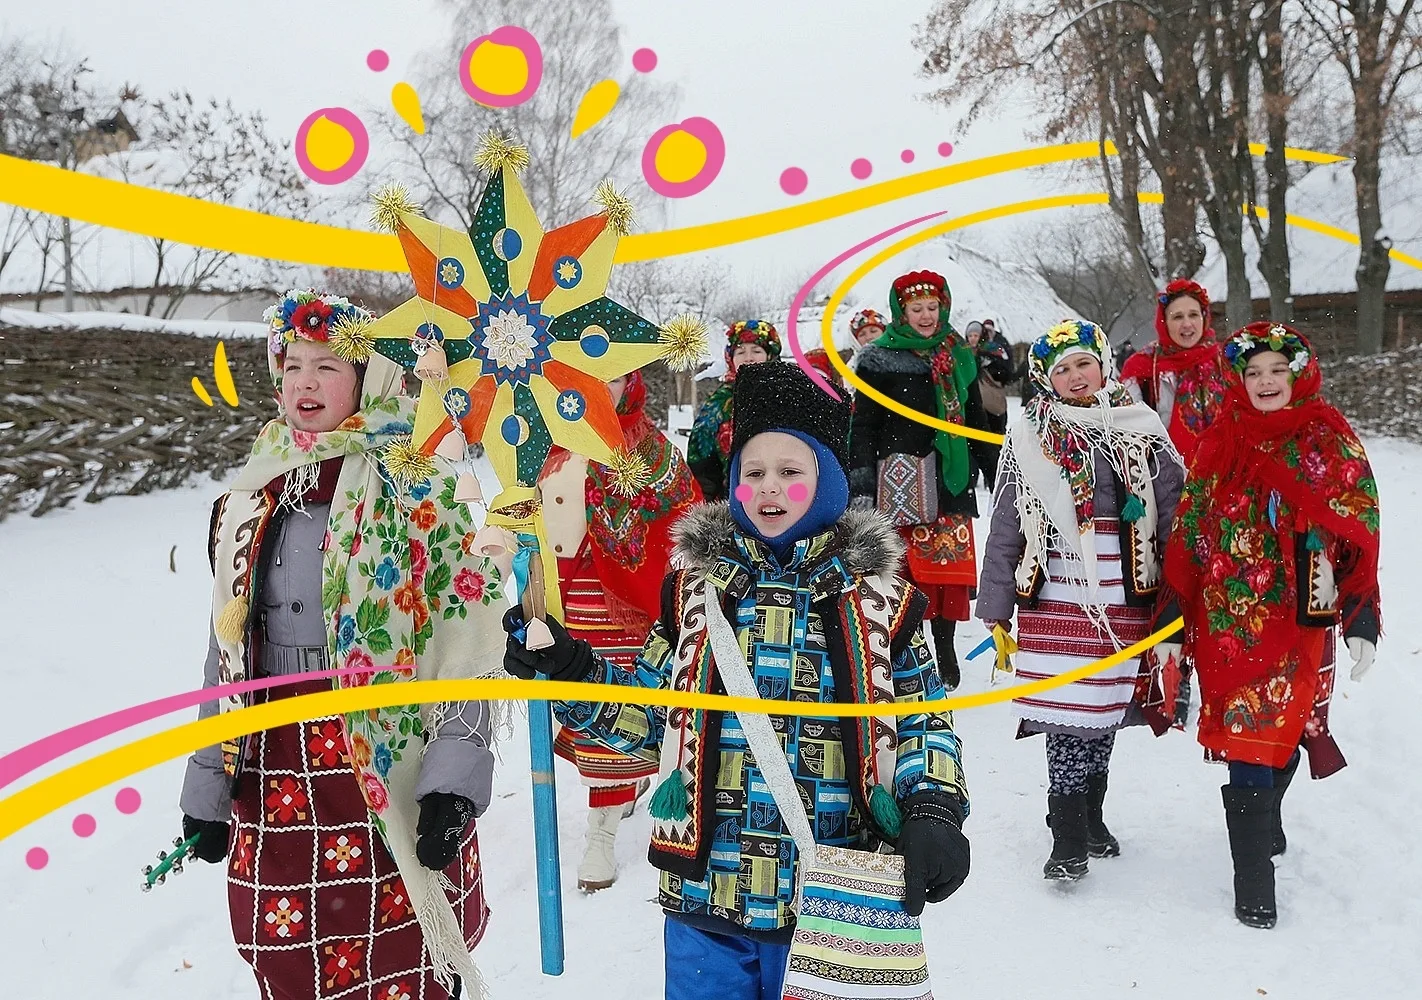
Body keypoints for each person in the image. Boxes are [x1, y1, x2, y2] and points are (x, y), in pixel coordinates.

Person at [504, 361, 971, 1000]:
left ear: (829, 483)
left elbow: (923, 719)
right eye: (753, 473)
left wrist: (935, 809)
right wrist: (572, 669)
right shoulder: (694, 595)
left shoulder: (881, 600)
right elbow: (647, 724)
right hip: (704, 897)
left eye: (791, 472)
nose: (769, 489)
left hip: (832, 893)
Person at [179, 289, 512, 999]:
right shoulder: (256, 488)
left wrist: (452, 781)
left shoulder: (417, 483)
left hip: (381, 752)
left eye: (327, 365)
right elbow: (227, 644)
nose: (304, 381)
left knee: (399, 951)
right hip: (274, 760)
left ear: (366, 378)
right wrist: (208, 786)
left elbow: (467, 636)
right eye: (293, 363)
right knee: (288, 944)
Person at [1163, 321, 1382, 930]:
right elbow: (1189, 531)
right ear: (1238, 380)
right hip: (1230, 619)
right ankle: (1252, 880)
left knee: (1285, 735)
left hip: (1303, 618)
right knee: (1246, 743)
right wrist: (1173, 620)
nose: (1264, 383)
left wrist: (1361, 617)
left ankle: (1266, 817)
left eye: (1276, 372)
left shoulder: (1330, 440)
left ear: (1297, 374)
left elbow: (1358, 533)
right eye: (1253, 372)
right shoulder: (1219, 439)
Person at [976, 319, 1183, 880]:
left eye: (1082, 363)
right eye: (1060, 368)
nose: (1073, 376)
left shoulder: (1141, 429)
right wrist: (995, 604)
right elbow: (1006, 524)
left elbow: (1172, 516)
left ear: (1103, 366)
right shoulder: (1031, 439)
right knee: (1067, 713)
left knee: (1104, 709)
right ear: (1045, 378)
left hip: (1122, 597)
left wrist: (1181, 593)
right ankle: (1065, 833)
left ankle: (1091, 814)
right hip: (1055, 595)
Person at [539, 368, 703, 891]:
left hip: (630, 598)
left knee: (619, 701)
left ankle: (601, 832)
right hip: (564, 591)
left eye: (610, 378)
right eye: (585, 376)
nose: (598, 388)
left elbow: (686, 517)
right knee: (581, 702)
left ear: (629, 383)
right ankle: (616, 798)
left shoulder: (651, 450)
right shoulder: (547, 440)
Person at [849, 270, 990, 691]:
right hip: (900, 480)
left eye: (933, 308)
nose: (926, 316)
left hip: (950, 478)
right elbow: (865, 425)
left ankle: (944, 646)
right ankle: (909, 649)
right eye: (917, 309)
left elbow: (976, 416)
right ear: (901, 312)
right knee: (906, 571)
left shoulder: (959, 356)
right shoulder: (878, 361)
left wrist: (997, 465)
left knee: (948, 568)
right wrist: (861, 480)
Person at [1120, 279, 1231, 459]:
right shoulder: (1143, 366)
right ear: (1164, 321)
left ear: (1204, 318)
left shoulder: (1226, 361)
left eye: (1193, 315)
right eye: (1178, 317)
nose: (1187, 324)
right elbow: (1131, 430)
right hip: (1168, 475)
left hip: (1224, 471)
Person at [687, 319, 781, 501]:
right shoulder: (719, 403)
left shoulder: (787, 396)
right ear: (730, 358)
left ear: (770, 355)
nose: (748, 358)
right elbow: (701, 464)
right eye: (740, 352)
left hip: (783, 499)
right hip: (732, 503)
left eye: (756, 351)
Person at [970, 338, 1015, 491]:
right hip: (977, 405)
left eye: (976, 334)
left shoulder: (995, 352)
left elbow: (1007, 375)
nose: (972, 338)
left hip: (995, 407)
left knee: (994, 442)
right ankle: (974, 478)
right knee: (974, 440)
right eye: (970, 335)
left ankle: (995, 477)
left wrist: (992, 365)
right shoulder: (965, 354)